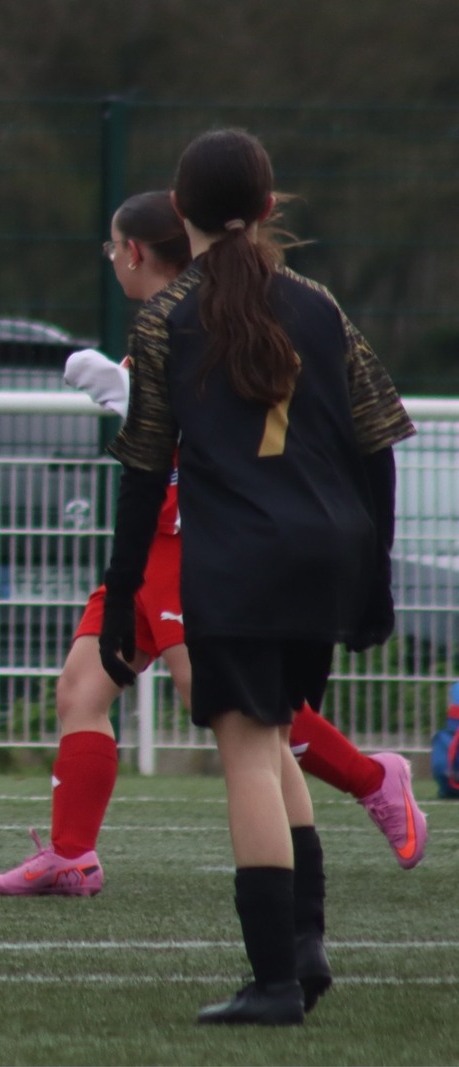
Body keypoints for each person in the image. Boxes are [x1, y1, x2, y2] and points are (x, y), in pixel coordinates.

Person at [0, 192, 428, 899]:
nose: (111, 260)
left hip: (200, 544)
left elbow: (231, 435)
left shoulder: (209, 319)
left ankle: (368, 785)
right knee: (82, 689)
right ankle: (72, 855)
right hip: (155, 543)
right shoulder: (168, 320)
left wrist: (127, 396)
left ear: (134, 253)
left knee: (235, 707)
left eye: (113, 247)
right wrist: (131, 392)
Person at [102, 130, 414, 1025]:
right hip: (328, 553)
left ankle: (274, 981)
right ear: (268, 206)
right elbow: (380, 442)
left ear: (180, 209)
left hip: (242, 559)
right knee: (274, 739)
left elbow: (143, 469)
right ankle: (304, 950)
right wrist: (376, 573)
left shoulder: (167, 318)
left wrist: (122, 595)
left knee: (247, 754)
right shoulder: (317, 304)